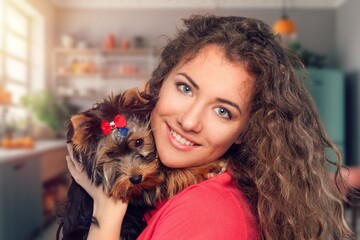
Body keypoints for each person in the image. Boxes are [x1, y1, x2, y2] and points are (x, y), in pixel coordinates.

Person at [66, 15, 354, 239]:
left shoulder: (205, 215)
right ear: (159, 83)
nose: (189, 121)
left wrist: (106, 211)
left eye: (222, 111)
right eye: (185, 88)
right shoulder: (203, 182)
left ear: (245, 130)